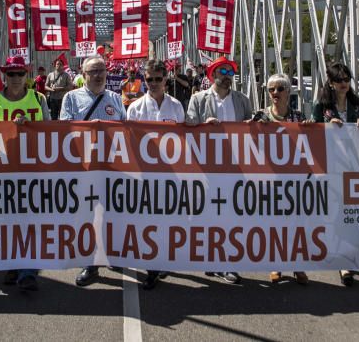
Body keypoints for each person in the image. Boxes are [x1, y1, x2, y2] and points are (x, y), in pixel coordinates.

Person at [0, 55, 49, 290]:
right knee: (6, 223)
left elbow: (50, 132)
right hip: (1, 172)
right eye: (11, 74)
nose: (15, 78)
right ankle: (13, 265)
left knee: (30, 221)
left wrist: (29, 128)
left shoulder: (38, 99)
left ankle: (28, 271)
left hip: (32, 171)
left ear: (26, 75)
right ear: (4, 75)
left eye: (20, 73)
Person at [59, 56, 126, 287]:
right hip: (84, 168)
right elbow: (64, 128)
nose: (98, 75)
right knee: (86, 216)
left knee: (111, 214)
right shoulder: (71, 98)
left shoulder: (116, 99)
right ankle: (90, 262)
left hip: (112, 168)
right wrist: (93, 127)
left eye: (102, 70)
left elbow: (128, 132)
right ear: (83, 74)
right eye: (93, 71)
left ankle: (110, 254)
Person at [186, 56, 251, 285]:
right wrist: (204, 124)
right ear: (212, 74)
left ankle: (226, 261)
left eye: (231, 72)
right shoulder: (198, 99)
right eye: (222, 71)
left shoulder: (242, 100)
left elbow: (252, 129)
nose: (227, 76)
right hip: (207, 166)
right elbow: (189, 125)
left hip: (235, 166)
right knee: (208, 214)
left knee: (230, 215)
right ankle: (210, 259)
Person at [124, 59, 186, 289]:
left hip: (171, 174)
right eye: (149, 79)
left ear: (165, 79)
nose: (153, 83)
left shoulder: (176, 106)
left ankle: (164, 259)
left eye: (158, 79)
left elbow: (183, 140)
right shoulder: (135, 108)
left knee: (167, 219)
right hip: (145, 174)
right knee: (147, 221)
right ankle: (151, 267)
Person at [251, 73, 308, 286]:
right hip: (269, 179)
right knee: (274, 224)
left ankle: (298, 265)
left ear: (288, 92)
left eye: (280, 89)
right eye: (271, 89)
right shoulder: (260, 116)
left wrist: (312, 129)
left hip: (294, 180)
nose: (275, 93)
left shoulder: (299, 118)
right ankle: (276, 265)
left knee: (296, 224)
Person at [311, 62, 359, 286]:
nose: (344, 83)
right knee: (332, 213)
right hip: (330, 167)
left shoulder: (356, 104)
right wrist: (325, 125)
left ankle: (346, 260)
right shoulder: (321, 105)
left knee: (349, 213)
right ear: (331, 83)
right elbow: (311, 132)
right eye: (339, 80)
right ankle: (335, 253)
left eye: (347, 79)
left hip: (353, 167)